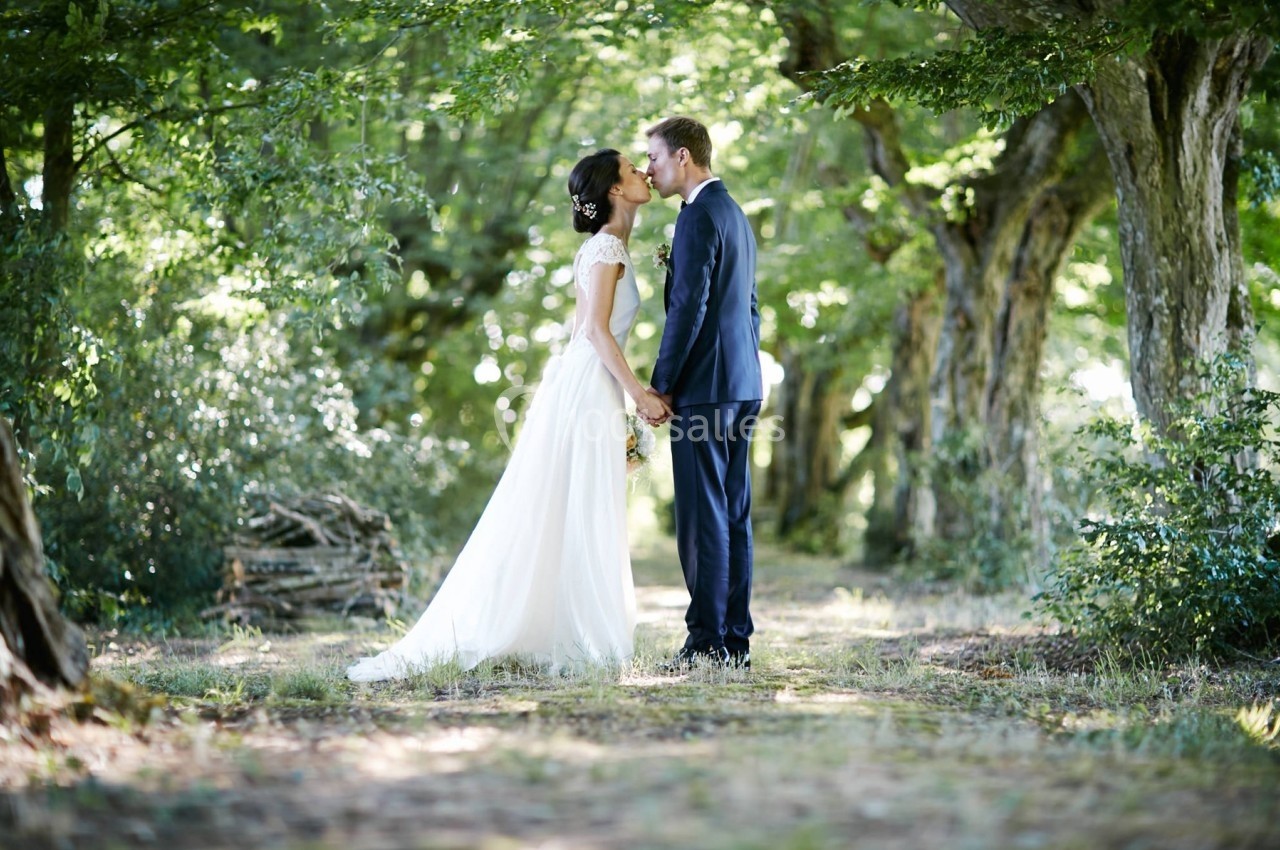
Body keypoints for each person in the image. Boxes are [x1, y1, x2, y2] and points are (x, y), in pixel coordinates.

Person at [347, 149, 671, 680]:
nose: (643, 173)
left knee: (573, 504)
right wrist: (638, 395)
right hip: (591, 385)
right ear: (614, 189)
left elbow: (579, 335)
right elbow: (593, 331)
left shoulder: (601, 247)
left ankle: (562, 628)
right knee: (585, 505)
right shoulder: (608, 248)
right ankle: (581, 637)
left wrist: (617, 400)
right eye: (633, 169)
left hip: (586, 385)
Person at [644, 116, 763, 671]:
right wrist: (747, 373)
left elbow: (688, 309)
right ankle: (733, 641)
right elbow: (750, 309)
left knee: (703, 516)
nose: (650, 169)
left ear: (684, 157)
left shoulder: (696, 217)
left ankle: (705, 643)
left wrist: (661, 385)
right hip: (741, 385)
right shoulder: (735, 215)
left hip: (705, 392)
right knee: (733, 514)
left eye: (656, 158)